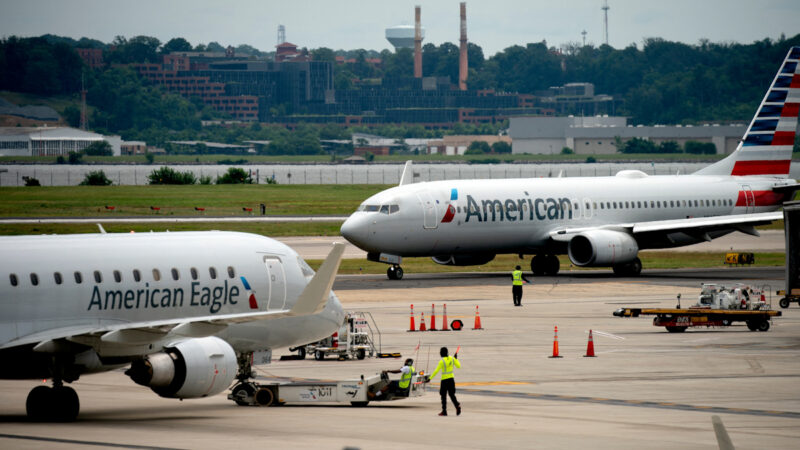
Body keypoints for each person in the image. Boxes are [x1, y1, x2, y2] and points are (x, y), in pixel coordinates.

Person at [428, 346, 461, 416]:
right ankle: (457, 405)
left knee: (443, 395)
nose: (440, 353)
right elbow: (458, 366)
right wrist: (456, 359)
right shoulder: (452, 359)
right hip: (451, 380)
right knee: (452, 394)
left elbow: (436, 371)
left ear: (442, 353)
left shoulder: (442, 361)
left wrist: (430, 378)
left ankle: (444, 411)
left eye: (440, 352)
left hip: (444, 380)